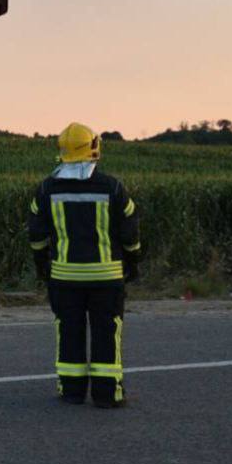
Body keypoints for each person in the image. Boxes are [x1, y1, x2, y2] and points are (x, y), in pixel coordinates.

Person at [27, 122, 141, 408]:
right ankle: (108, 394)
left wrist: (42, 266)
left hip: (64, 278)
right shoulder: (112, 187)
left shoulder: (46, 189)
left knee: (69, 332)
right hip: (107, 278)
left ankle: (71, 390)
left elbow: (36, 235)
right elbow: (130, 231)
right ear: (92, 148)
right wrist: (133, 261)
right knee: (106, 332)